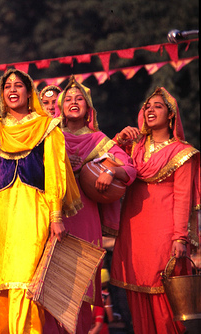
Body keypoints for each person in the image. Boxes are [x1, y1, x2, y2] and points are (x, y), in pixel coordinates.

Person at [0, 68, 81, 334]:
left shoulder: (46, 126)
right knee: (7, 285)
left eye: (18, 86)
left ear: (29, 94)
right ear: (2, 95)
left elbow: (55, 173)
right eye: (7, 86)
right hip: (2, 212)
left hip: (33, 210)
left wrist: (55, 216)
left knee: (27, 282)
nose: (13, 90)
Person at [43, 76, 136, 334]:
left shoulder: (99, 141)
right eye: (68, 99)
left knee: (80, 290)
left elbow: (128, 167)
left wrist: (110, 172)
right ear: (60, 106)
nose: (73, 102)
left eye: (79, 99)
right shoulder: (50, 135)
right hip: (52, 214)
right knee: (48, 288)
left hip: (84, 217)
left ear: (88, 107)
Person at [111, 87, 200, 334]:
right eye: (147, 106)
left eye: (158, 106)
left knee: (165, 302)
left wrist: (179, 237)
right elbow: (103, 164)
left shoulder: (182, 153)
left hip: (164, 236)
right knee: (137, 299)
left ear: (171, 115)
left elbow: (183, 198)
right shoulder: (133, 148)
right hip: (133, 232)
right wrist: (119, 140)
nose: (150, 109)